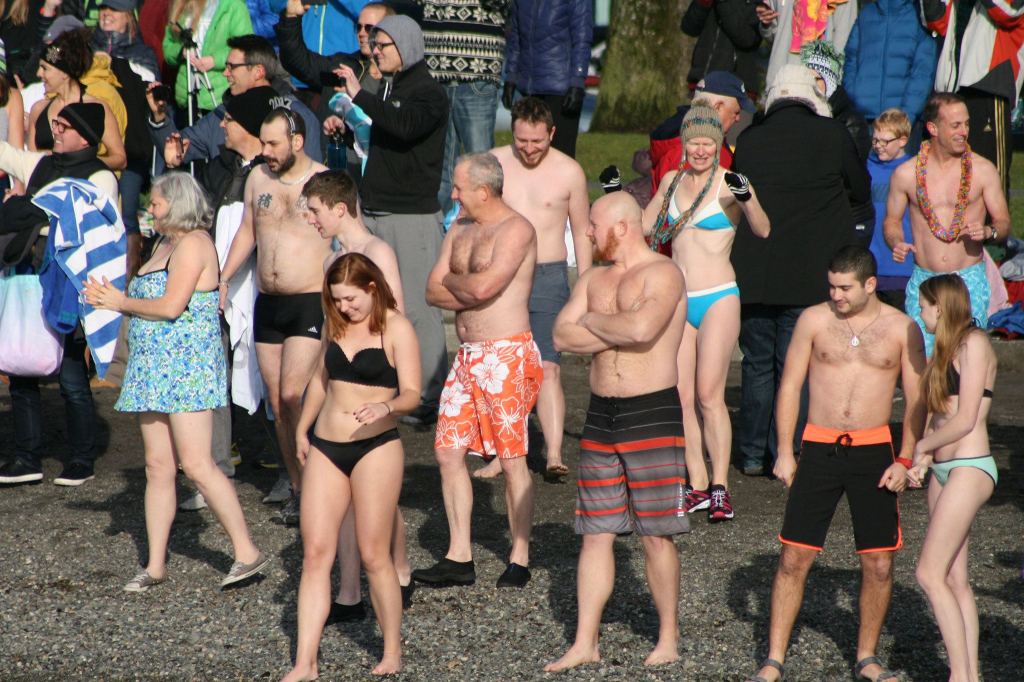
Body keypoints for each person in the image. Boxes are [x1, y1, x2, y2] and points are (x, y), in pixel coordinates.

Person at [745, 246, 925, 682]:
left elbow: (919, 400)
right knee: (794, 556)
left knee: (879, 562)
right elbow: (789, 385)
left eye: (845, 287)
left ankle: (867, 658)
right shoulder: (813, 319)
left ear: (869, 284)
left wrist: (907, 458)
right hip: (819, 444)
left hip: (874, 450)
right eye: (831, 285)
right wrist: (784, 450)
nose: (836, 295)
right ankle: (773, 659)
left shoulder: (902, 328)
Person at [83, 172, 269, 591]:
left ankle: (246, 551)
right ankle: (155, 565)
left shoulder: (194, 244)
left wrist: (119, 302)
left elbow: (170, 306)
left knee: (198, 464)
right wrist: (107, 296)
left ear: (179, 203)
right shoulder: (162, 243)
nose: (152, 207)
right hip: (154, 369)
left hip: (185, 369)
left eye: (159, 202)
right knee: (158, 466)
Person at [544, 191, 688, 672]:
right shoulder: (592, 277)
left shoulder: (663, 274)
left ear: (621, 226)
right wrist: (612, 324)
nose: (586, 232)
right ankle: (586, 640)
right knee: (595, 533)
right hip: (601, 414)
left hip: (652, 410)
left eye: (592, 225)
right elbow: (561, 336)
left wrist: (592, 321)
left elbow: (644, 331)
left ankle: (668, 635)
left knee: (656, 533)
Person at [283, 253, 419, 679]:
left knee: (374, 554)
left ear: (372, 289)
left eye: (351, 299)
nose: (344, 307)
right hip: (328, 444)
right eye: (337, 299)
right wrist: (302, 429)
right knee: (315, 554)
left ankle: (391, 650)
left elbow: (414, 392)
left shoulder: (396, 327)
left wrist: (387, 405)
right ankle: (306, 662)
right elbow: (322, 382)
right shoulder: (335, 324)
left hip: (376, 446)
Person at [730, 64, 870, 477]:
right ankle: (786, 449)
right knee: (795, 366)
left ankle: (752, 452)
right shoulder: (832, 135)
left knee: (756, 363)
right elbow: (859, 189)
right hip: (808, 270)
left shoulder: (750, 139)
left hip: (755, 269)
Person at [414, 152, 540, 589]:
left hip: (506, 354)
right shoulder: (460, 227)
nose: (453, 193)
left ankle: (520, 554)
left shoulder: (517, 229)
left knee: (511, 459)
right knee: (447, 451)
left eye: (460, 187)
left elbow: (488, 287)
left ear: (483, 192)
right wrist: (459, 286)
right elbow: (431, 290)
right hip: (467, 356)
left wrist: (456, 283)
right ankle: (459, 556)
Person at [643, 104, 770, 522]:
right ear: (684, 142)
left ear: (719, 145)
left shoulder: (728, 183)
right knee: (680, 396)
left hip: (717, 296)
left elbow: (763, 229)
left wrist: (748, 199)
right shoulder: (670, 180)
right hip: (680, 299)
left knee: (708, 395)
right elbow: (645, 227)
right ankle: (695, 482)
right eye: (694, 141)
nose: (700, 149)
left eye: (708, 142)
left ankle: (720, 487)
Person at [301, 169, 413, 621]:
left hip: (378, 390)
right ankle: (348, 591)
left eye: (314, 210)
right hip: (340, 393)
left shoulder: (376, 251)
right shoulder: (335, 258)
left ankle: (398, 570)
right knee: (345, 502)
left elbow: (394, 318)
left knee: (376, 505)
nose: (310, 219)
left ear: (338, 207)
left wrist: (385, 395)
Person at [331, 15, 449, 427]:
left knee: (417, 307)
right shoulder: (388, 87)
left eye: (383, 45)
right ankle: (391, 386)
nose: (375, 51)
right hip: (377, 209)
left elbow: (402, 127)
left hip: (412, 215)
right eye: (375, 45)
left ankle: (430, 394)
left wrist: (360, 96)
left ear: (407, 47)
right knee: (380, 305)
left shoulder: (429, 93)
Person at [220, 107, 330, 524]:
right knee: (277, 403)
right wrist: (224, 277)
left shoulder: (320, 179)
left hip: (308, 300)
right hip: (268, 302)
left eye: (273, 144)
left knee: (292, 394)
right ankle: (299, 485)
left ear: (297, 142)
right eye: (262, 142)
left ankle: (320, 479)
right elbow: (248, 230)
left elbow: (345, 233)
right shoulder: (257, 178)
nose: (265, 151)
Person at [472, 96, 590, 481]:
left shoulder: (569, 172)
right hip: (501, 276)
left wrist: (585, 286)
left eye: (537, 142)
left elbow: (584, 234)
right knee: (504, 369)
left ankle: (554, 454)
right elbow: (471, 219)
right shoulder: (493, 163)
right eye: (522, 140)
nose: (528, 149)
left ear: (552, 133)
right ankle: (502, 453)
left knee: (548, 368)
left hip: (548, 275)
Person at [0, 102, 117, 487]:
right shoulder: (43, 166)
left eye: (63, 126)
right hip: (31, 279)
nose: (56, 132)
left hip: (71, 285)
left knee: (70, 377)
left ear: (85, 135)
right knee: (21, 371)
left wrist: (31, 216)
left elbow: (91, 234)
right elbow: (6, 153)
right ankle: (26, 457)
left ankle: (82, 458)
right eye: (55, 124)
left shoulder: (102, 178)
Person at [907, 274, 998, 682]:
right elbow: (939, 411)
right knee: (955, 579)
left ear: (940, 307)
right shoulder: (943, 349)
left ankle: (960, 677)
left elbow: (964, 419)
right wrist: (925, 460)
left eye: (923, 306)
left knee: (928, 573)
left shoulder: (974, 343)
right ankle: (969, 673)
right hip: (944, 471)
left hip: (970, 464)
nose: (919, 312)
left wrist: (923, 447)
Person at [884, 92, 1010, 357]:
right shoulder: (906, 174)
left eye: (966, 124)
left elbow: (1003, 222)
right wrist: (896, 242)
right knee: (922, 364)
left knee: (966, 360)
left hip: (968, 280)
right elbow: (892, 222)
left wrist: (989, 231)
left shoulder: (983, 170)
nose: (964, 131)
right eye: (955, 125)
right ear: (933, 128)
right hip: (925, 281)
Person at [151, 33, 321, 173]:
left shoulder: (297, 117)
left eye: (232, 67)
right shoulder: (222, 114)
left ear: (258, 71)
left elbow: (310, 177)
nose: (225, 73)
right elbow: (176, 146)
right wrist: (159, 117)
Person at [922, 0, 1024, 193]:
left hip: (990, 84)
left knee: (990, 173)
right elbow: (936, 21)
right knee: (950, 172)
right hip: (953, 88)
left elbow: (1009, 11)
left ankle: (993, 223)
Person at [276, 1, 390, 166]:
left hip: (378, 173)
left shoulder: (400, 78)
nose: (361, 33)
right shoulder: (343, 66)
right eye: (358, 27)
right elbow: (298, 61)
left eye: (369, 28)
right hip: (338, 171)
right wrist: (291, 18)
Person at [419, 0, 506, 212]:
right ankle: (444, 237)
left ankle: (485, 231)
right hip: (435, 74)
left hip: (476, 73)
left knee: (482, 170)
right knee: (440, 170)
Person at [28, 26, 127, 170]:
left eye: (45, 68)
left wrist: (81, 163)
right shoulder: (38, 109)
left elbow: (120, 159)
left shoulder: (96, 108)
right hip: (44, 189)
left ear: (63, 72)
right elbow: (30, 160)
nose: (38, 73)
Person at [841, 0, 937, 149]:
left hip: (902, 123)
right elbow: (851, 58)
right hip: (864, 120)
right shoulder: (867, 13)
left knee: (902, 172)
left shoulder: (919, 16)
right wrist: (855, 97)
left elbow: (923, 73)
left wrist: (906, 119)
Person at [503, 0, 592, 158]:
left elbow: (582, 39)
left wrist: (577, 81)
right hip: (527, 89)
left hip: (561, 89)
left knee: (561, 157)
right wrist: (511, 76)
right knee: (526, 154)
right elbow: (515, 38)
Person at [649, 70, 755, 198]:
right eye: (736, 112)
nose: (738, 119)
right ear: (717, 107)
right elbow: (692, 208)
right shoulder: (701, 151)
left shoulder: (679, 138)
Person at [162, 0, 253, 115]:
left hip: (219, 95)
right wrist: (181, 52)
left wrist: (214, 60)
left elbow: (245, 47)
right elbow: (168, 48)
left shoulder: (233, 6)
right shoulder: (183, 4)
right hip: (186, 93)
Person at [866, 108, 914, 311]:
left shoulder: (914, 169)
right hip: (869, 263)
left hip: (900, 265)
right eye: (875, 140)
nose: (878, 146)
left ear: (902, 140)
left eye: (885, 141)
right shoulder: (864, 166)